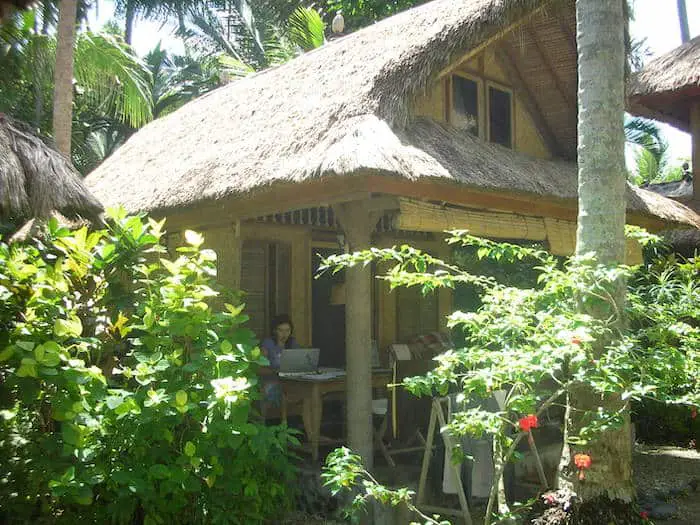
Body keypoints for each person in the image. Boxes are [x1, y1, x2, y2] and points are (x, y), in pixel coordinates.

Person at [259, 314, 300, 408]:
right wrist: (275, 372)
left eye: (287, 330)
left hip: (292, 381)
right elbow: (259, 368)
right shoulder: (268, 344)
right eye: (280, 330)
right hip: (272, 381)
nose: (284, 334)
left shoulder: (293, 343)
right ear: (274, 330)